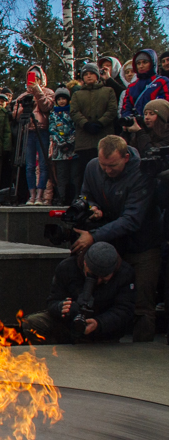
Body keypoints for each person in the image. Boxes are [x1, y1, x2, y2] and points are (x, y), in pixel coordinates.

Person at [75, 135, 162, 342]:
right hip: (112, 243)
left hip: (143, 245)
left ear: (125, 157)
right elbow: (85, 196)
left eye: (112, 165)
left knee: (142, 302)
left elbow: (132, 219)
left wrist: (93, 237)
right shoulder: (93, 167)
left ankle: (144, 352)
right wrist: (92, 209)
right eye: (103, 165)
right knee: (107, 298)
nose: (107, 170)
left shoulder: (142, 172)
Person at [23, 242, 134, 344]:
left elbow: (125, 310)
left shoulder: (124, 273)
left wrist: (98, 323)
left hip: (102, 329)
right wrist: (61, 307)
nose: (98, 281)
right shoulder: (68, 267)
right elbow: (52, 300)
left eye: (104, 277)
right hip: (69, 323)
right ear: (85, 263)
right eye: (93, 275)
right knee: (32, 323)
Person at [12, 65, 55, 205]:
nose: (33, 80)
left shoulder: (48, 92)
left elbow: (47, 107)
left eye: (37, 78)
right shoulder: (23, 96)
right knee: (29, 165)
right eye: (31, 78)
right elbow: (15, 116)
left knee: (43, 164)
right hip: (28, 132)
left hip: (42, 130)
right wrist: (24, 108)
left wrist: (37, 91)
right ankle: (31, 195)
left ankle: (40, 195)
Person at [70, 62, 117, 185]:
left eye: (91, 73)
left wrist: (101, 123)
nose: (89, 76)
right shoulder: (77, 94)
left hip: (103, 134)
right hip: (84, 138)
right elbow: (74, 112)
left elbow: (112, 110)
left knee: (105, 168)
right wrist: (85, 124)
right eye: (86, 74)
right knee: (85, 170)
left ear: (97, 75)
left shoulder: (108, 91)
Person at [120, 49, 169, 125]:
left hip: (158, 127)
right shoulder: (131, 87)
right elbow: (126, 108)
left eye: (145, 62)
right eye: (138, 63)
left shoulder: (162, 81)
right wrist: (129, 120)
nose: (141, 66)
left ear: (153, 63)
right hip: (136, 128)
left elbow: (166, 104)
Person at [49, 87, 77, 204]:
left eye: (63, 99)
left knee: (74, 174)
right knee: (61, 175)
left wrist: (69, 142)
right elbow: (52, 129)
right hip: (59, 150)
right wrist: (60, 142)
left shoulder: (72, 112)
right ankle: (62, 197)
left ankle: (74, 197)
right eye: (59, 99)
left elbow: (75, 128)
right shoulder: (53, 114)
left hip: (72, 149)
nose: (61, 101)